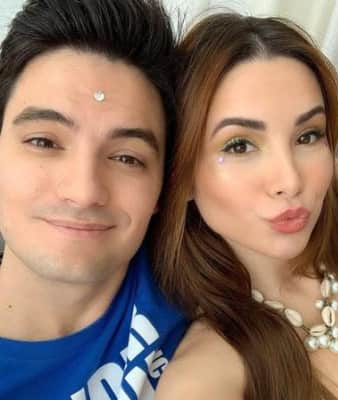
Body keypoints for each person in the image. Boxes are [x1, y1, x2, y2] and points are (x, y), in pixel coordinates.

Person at [153, 13, 338, 400]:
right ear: (181, 176)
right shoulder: (209, 375)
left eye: (308, 136)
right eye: (240, 145)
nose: (290, 181)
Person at [0, 0, 187, 398]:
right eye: (44, 141)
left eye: (127, 158)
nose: (84, 192)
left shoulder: (200, 277)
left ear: (164, 185)